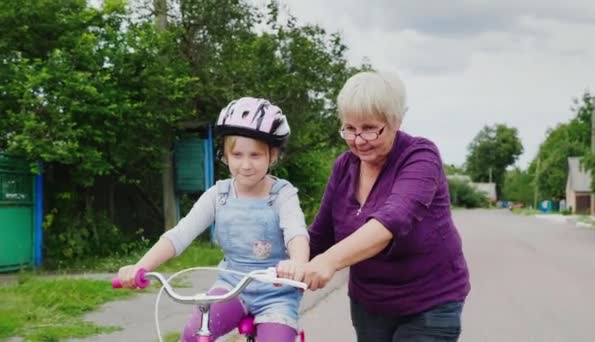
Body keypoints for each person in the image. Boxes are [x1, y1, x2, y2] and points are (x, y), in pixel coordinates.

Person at [117, 97, 310, 342]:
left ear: (272, 155)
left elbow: (296, 233)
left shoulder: (282, 194)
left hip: (277, 292)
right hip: (230, 287)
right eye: (237, 154)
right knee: (195, 333)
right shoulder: (218, 195)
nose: (246, 164)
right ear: (225, 156)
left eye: (256, 155)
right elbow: (180, 235)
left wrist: (298, 263)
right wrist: (140, 267)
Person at [302, 71, 470, 341]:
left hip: (430, 303)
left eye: (369, 128)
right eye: (349, 128)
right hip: (369, 305)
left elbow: (394, 218)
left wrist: (329, 261)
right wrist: (283, 262)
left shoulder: (420, 157)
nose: (358, 140)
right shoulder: (344, 167)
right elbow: (321, 234)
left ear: (395, 121)